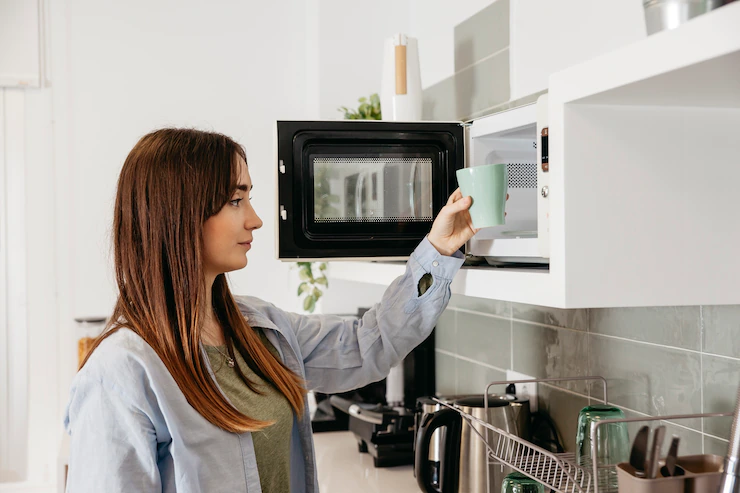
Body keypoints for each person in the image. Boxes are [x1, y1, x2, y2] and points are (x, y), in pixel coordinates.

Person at [63, 128, 480, 492]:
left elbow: (367, 344)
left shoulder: (261, 329)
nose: (257, 219)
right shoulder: (119, 375)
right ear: (180, 214)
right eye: (235, 200)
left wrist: (438, 250)